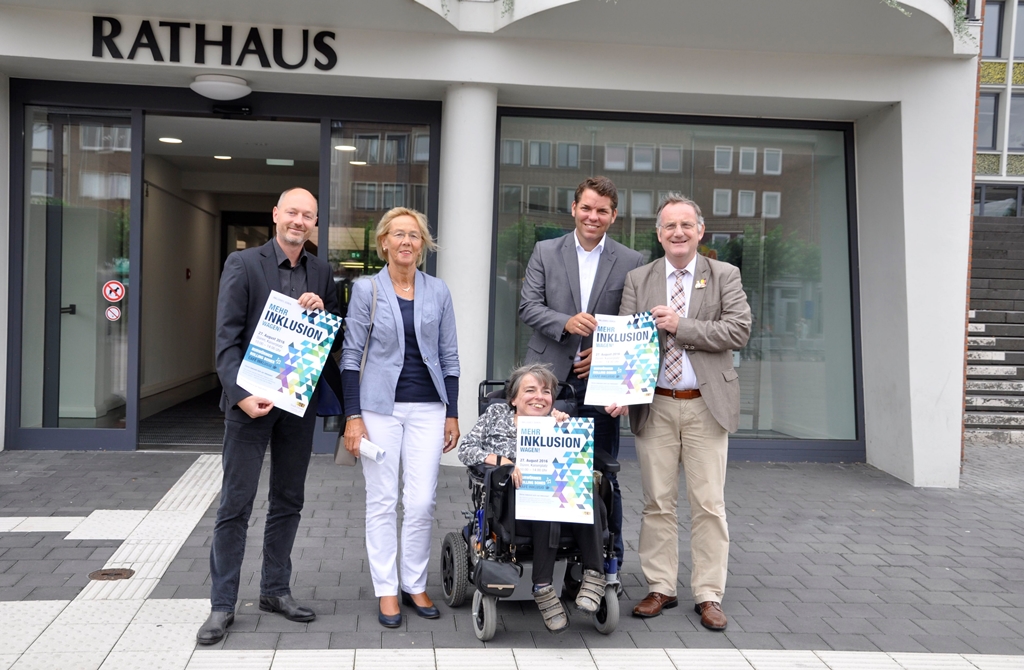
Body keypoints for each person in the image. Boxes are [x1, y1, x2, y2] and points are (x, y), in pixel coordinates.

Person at [199, 187, 341, 644]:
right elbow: (226, 339)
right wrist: (239, 394)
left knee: (288, 501)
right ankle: (222, 605)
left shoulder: (321, 270)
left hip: (296, 406)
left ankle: (275, 591)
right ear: (276, 214)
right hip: (249, 406)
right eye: (293, 212)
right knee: (234, 505)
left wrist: (323, 313)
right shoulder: (243, 264)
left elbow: (332, 339)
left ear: (315, 223)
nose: (299, 221)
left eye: (308, 215)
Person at [607, 193, 751, 630]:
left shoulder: (723, 274)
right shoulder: (639, 279)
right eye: (669, 226)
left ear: (700, 231)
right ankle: (661, 587)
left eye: (686, 225)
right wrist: (619, 390)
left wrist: (681, 326)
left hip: (707, 407)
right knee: (657, 503)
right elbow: (627, 341)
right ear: (659, 233)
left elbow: (739, 330)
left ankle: (709, 594)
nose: (678, 233)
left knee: (708, 504)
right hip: (658, 406)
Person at [341, 207, 461, 628]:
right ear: (384, 243)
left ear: (422, 245)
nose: (406, 241)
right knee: (382, 499)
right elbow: (351, 356)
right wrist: (352, 416)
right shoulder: (366, 289)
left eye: (414, 235)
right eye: (399, 235)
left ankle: (414, 582)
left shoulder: (438, 291)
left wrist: (453, 412)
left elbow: (449, 356)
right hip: (378, 409)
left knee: (422, 500)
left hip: (429, 406)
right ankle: (387, 590)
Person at [519, 176, 643, 569]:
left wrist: (605, 357)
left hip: (600, 385)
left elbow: (633, 323)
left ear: (613, 215)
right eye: (586, 208)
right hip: (546, 382)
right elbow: (527, 307)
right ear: (574, 208)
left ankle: (606, 562)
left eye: (602, 211)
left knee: (601, 473)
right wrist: (566, 322)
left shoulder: (631, 261)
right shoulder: (545, 251)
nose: (593, 216)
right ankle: (539, 559)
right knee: (543, 472)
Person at [458, 363, 606, 633]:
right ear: (513, 399)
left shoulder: (557, 423)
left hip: (558, 505)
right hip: (510, 508)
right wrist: (503, 462)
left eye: (546, 392)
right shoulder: (496, 414)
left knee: (585, 485)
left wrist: (566, 430)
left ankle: (594, 575)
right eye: (530, 390)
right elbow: (466, 449)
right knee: (545, 496)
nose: (540, 396)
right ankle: (542, 585)